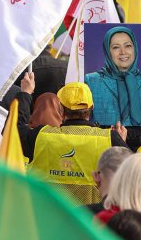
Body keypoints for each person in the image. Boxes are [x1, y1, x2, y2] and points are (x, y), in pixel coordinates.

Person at [17, 77, 127, 205]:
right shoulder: (109, 139)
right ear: (92, 107)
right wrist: (120, 146)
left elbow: (13, 133)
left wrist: (25, 93)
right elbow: (134, 175)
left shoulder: (41, 136)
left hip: (47, 215)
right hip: (91, 217)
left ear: (61, 109)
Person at [85, 26, 141, 127]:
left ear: (135, 48)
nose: (123, 52)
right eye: (116, 47)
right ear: (107, 51)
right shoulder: (91, 81)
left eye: (128, 46)